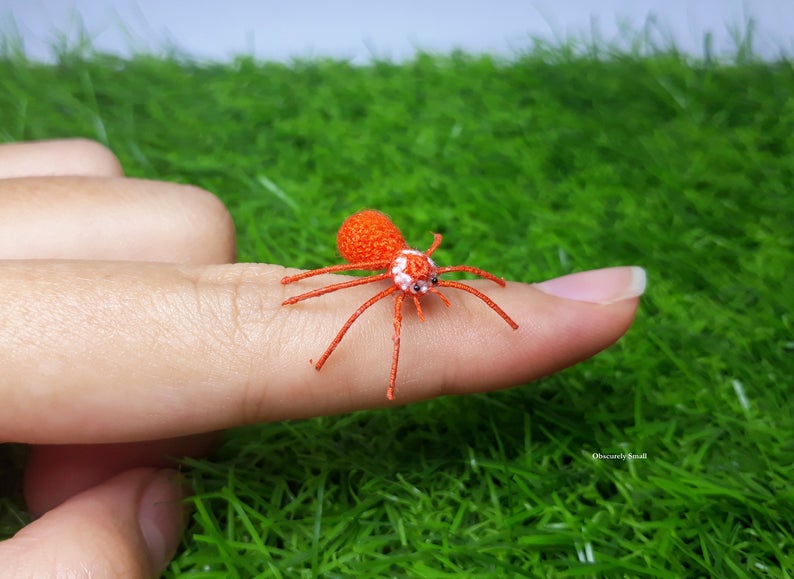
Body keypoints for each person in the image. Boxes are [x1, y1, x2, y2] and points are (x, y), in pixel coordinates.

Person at [0, 139, 645, 577]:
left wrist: (495, 299)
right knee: (362, 311)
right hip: (366, 248)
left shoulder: (432, 273)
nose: (425, 292)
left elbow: (456, 274)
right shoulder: (380, 279)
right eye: (421, 284)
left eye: (431, 282)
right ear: (408, 270)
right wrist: (348, 341)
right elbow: (365, 302)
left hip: (384, 249)